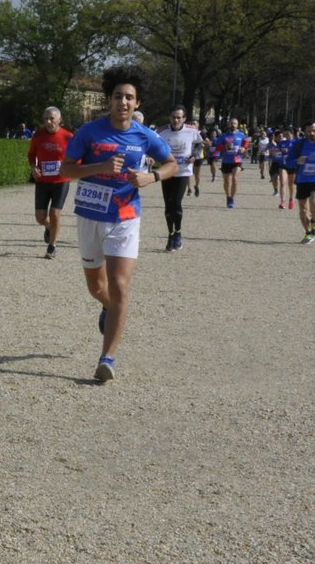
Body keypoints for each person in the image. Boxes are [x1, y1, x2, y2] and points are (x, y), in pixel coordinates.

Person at [62, 67, 176, 382]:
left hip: (125, 217)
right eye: (117, 96)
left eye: (129, 97)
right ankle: (109, 308)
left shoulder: (145, 136)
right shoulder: (89, 131)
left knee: (120, 285)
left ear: (137, 103)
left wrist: (150, 177)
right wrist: (99, 166)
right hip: (90, 215)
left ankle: (107, 358)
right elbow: (65, 169)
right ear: (109, 100)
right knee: (97, 288)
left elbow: (172, 164)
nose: (122, 102)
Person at [27, 106, 73, 259]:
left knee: (55, 213)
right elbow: (31, 154)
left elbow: (77, 156)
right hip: (43, 180)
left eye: (52, 118)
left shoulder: (68, 137)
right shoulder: (38, 136)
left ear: (59, 119)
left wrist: (70, 168)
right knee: (40, 218)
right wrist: (33, 167)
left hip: (61, 180)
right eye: (46, 118)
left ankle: (52, 246)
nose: (48, 121)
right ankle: (49, 227)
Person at [154, 105, 202, 250]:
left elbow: (200, 144)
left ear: (184, 118)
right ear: (170, 118)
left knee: (177, 202)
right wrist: (154, 157)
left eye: (179, 117)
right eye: (174, 117)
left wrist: (193, 155)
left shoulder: (192, 131)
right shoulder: (161, 131)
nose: (176, 120)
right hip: (167, 171)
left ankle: (178, 233)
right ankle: (170, 234)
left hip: (183, 171)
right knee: (168, 205)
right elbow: (153, 146)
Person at [215, 118, 249, 208]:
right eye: (231, 123)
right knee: (226, 181)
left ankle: (232, 199)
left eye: (234, 123)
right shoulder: (223, 136)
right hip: (226, 161)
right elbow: (217, 147)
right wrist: (224, 146)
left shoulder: (241, 135)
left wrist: (244, 148)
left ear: (237, 125)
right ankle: (228, 196)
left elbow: (246, 143)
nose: (233, 125)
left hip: (237, 160)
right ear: (228, 124)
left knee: (234, 178)